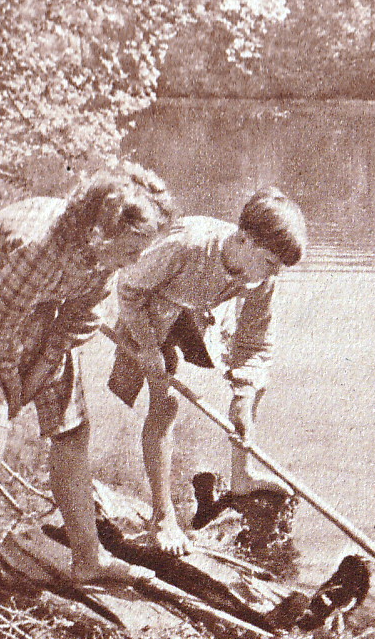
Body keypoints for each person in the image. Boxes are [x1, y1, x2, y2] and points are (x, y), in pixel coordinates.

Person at [0, 162, 176, 635]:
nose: (138, 258)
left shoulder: (103, 257)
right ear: (99, 233)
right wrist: (14, 390)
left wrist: (44, 364)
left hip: (38, 310)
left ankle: (88, 557)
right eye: (133, 248)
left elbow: (80, 316)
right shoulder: (39, 250)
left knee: (72, 430)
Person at [109, 186, 307, 556]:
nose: (273, 273)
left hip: (198, 313)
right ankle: (162, 516)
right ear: (244, 239)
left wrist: (242, 398)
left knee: (255, 384)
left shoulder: (262, 274)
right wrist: (149, 349)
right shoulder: (187, 245)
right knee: (166, 402)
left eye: (278, 267)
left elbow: (255, 343)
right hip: (148, 310)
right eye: (269, 262)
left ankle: (241, 476)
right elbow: (128, 287)